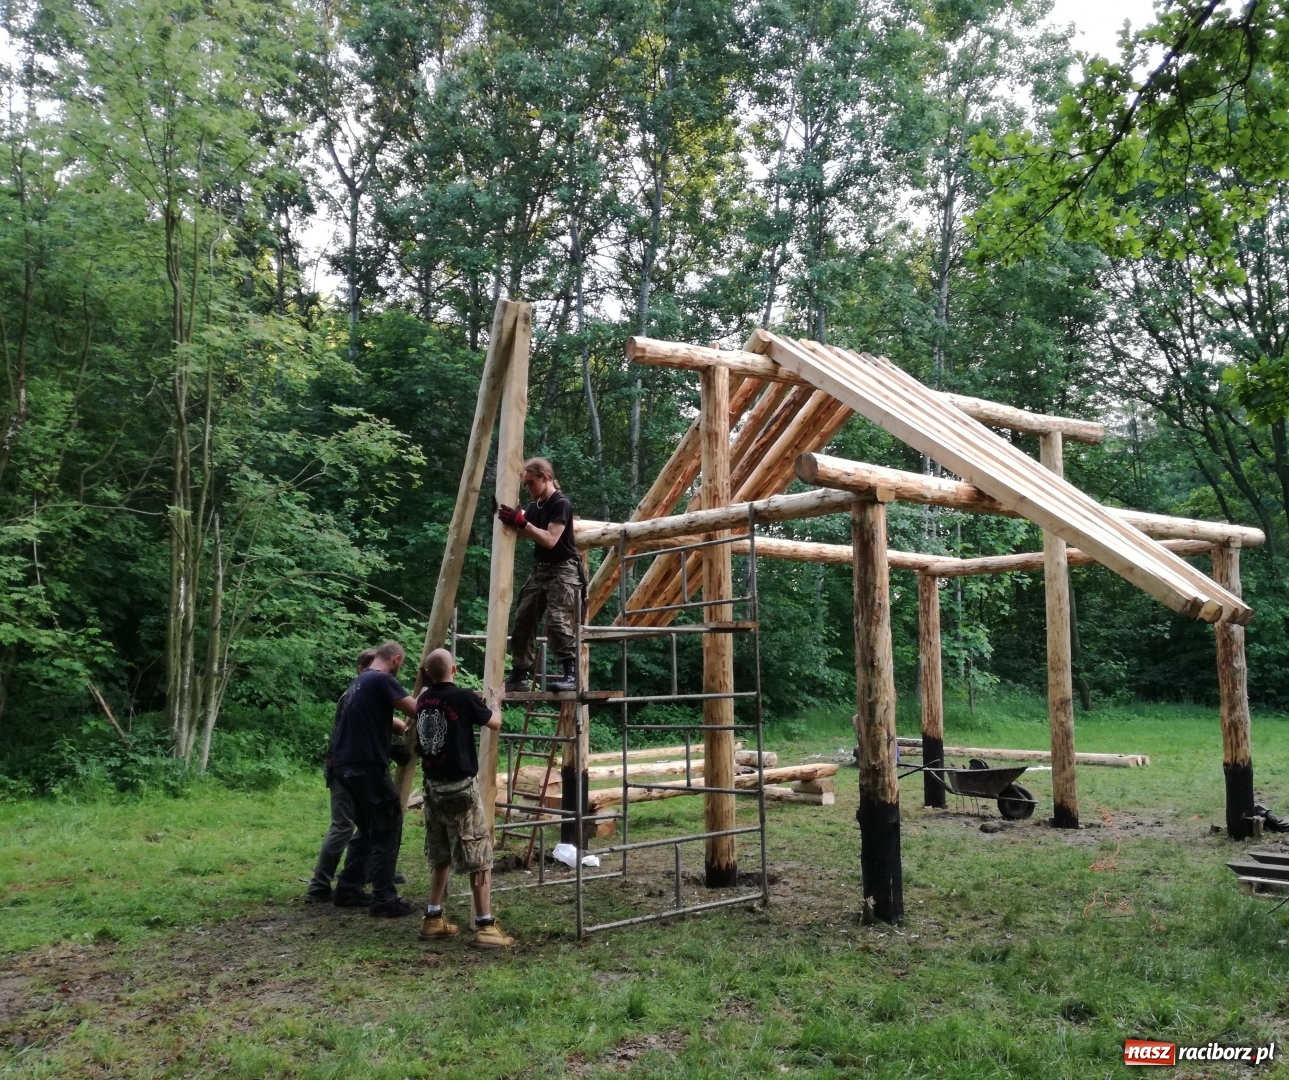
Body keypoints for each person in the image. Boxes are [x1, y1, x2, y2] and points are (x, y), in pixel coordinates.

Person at [413, 648, 513, 948]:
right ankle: (485, 927)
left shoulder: (421, 700)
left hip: (432, 787)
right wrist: (496, 701)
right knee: (479, 854)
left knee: (441, 852)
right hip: (459, 789)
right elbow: (494, 722)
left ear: (428, 674)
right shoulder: (462, 697)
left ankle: (433, 918)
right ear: (453, 671)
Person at [329, 640, 418, 916]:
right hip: (366, 767)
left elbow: (369, 725)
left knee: (368, 828)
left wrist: (389, 750)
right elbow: (416, 711)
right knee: (388, 827)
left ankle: (348, 889)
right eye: (400, 665)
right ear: (395, 660)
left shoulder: (359, 682)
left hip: (345, 768)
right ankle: (384, 898)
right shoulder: (382, 680)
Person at [498, 457, 582, 693]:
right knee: (524, 616)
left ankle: (571, 674)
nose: (528, 488)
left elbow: (550, 539)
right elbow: (525, 525)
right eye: (525, 484)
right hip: (542, 569)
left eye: (531, 483)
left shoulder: (561, 503)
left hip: (563, 569)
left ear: (545, 478)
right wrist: (512, 517)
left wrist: (522, 523)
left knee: (557, 620)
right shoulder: (537, 506)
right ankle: (519, 674)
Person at [306, 648, 377, 904]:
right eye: (371, 668)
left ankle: (361, 874)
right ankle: (318, 887)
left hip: (353, 769)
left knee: (368, 824)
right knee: (343, 825)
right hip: (343, 769)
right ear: (360, 670)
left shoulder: (360, 694)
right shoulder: (353, 695)